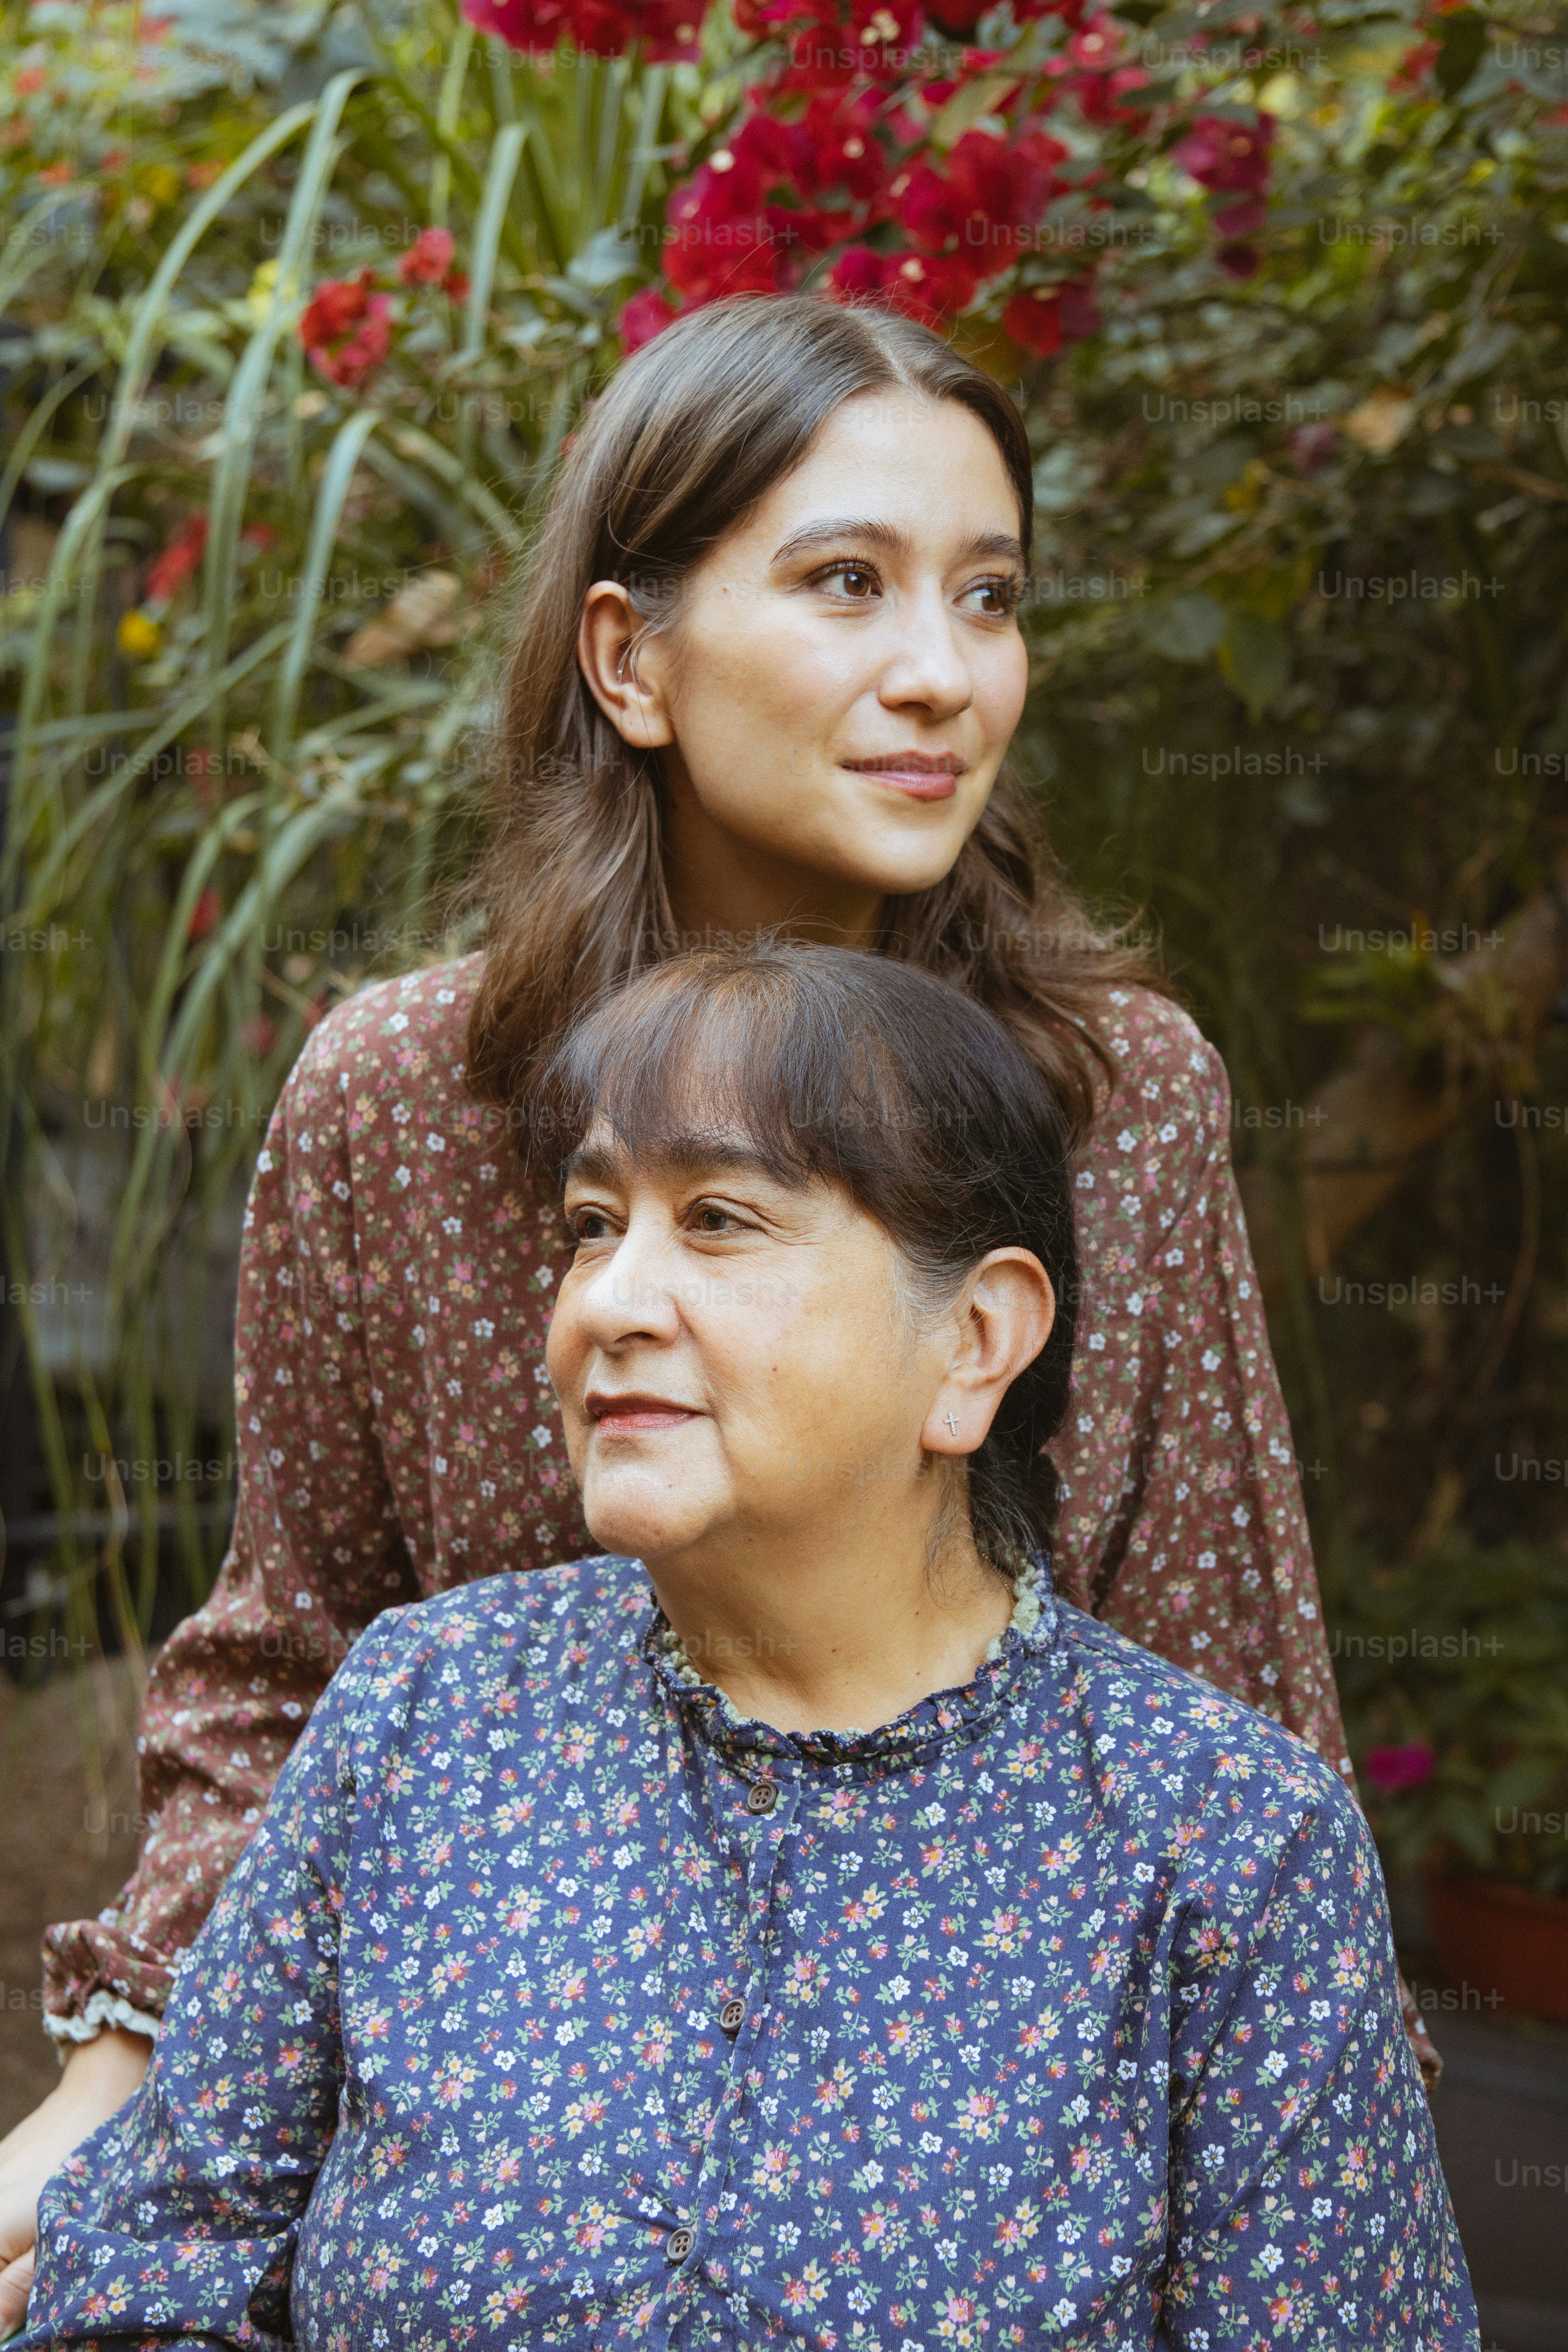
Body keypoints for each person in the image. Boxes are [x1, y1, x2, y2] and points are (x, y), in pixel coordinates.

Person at [0, 291, 1436, 2327]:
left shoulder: (1114, 1099)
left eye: (992, 596)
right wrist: (121, 2076)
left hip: (981, 2138)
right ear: (631, 656)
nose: (943, 674)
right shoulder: (405, 1097)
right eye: (847, 584)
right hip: (480, 2135)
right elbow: (287, 1658)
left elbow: (1211, 1658)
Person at [14, 946, 1477, 2352]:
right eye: (595, 1224)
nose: (610, 1303)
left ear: (975, 1339)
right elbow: (147, 2281)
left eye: (718, 1219)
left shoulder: (1231, 1849)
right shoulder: (421, 1714)